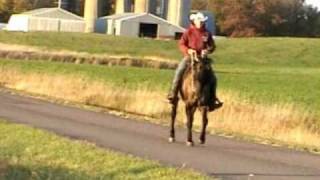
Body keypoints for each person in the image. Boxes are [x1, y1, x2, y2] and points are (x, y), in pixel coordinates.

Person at [167, 12, 223, 111]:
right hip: (189, 57)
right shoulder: (188, 32)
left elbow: (212, 46)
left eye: (202, 21)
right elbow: (181, 44)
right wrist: (188, 50)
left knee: (213, 77)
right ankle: (173, 94)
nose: (201, 23)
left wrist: (208, 50)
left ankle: (213, 99)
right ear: (195, 21)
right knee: (179, 72)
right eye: (199, 21)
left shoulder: (207, 33)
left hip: (203, 59)